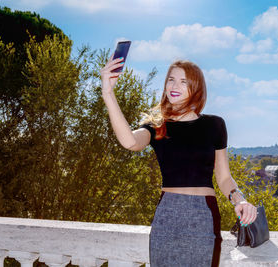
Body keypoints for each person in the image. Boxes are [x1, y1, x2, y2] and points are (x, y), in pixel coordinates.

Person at [100, 55, 258, 267]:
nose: (175, 86)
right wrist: (108, 93)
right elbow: (130, 142)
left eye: (184, 82)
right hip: (167, 214)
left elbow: (224, 178)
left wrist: (240, 200)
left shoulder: (214, 125)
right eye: (171, 80)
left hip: (203, 215)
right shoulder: (156, 125)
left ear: (196, 88)